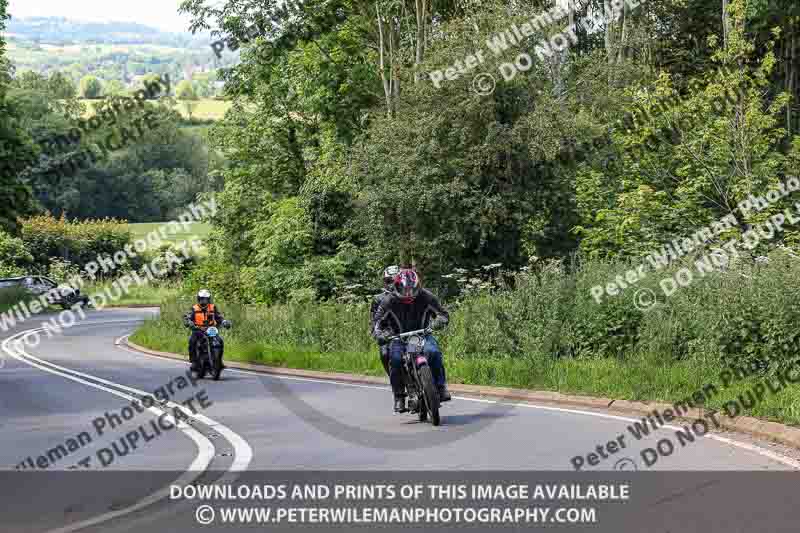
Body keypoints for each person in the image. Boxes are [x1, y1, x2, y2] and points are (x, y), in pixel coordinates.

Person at [372, 268, 451, 413]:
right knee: (395, 359)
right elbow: (377, 323)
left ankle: (440, 387)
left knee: (433, 352)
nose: (408, 293)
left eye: (411, 289)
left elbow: (443, 314)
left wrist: (438, 322)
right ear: (396, 286)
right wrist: (380, 334)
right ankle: (399, 397)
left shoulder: (426, 296)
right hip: (399, 338)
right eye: (404, 289)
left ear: (417, 286)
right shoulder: (388, 301)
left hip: (422, 335)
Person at [183, 289, 225, 373]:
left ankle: (219, 362)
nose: (204, 301)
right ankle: (194, 362)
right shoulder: (194, 308)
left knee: (220, 341)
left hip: (211, 329)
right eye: (202, 299)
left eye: (206, 299)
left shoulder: (213, 307)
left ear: (209, 299)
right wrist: (189, 322)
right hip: (198, 330)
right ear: (198, 299)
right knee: (192, 341)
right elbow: (187, 317)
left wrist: (224, 322)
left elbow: (219, 317)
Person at [370, 265, 400, 377]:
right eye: (389, 281)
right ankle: (394, 380)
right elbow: (374, 319)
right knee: (384, 353)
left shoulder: (409, 294)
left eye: (395, 280)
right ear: (385, 282)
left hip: (408, 329)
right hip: (388, 332)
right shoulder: (378, 299)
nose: (392, 284)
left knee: (429, 351)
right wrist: (377, 333)